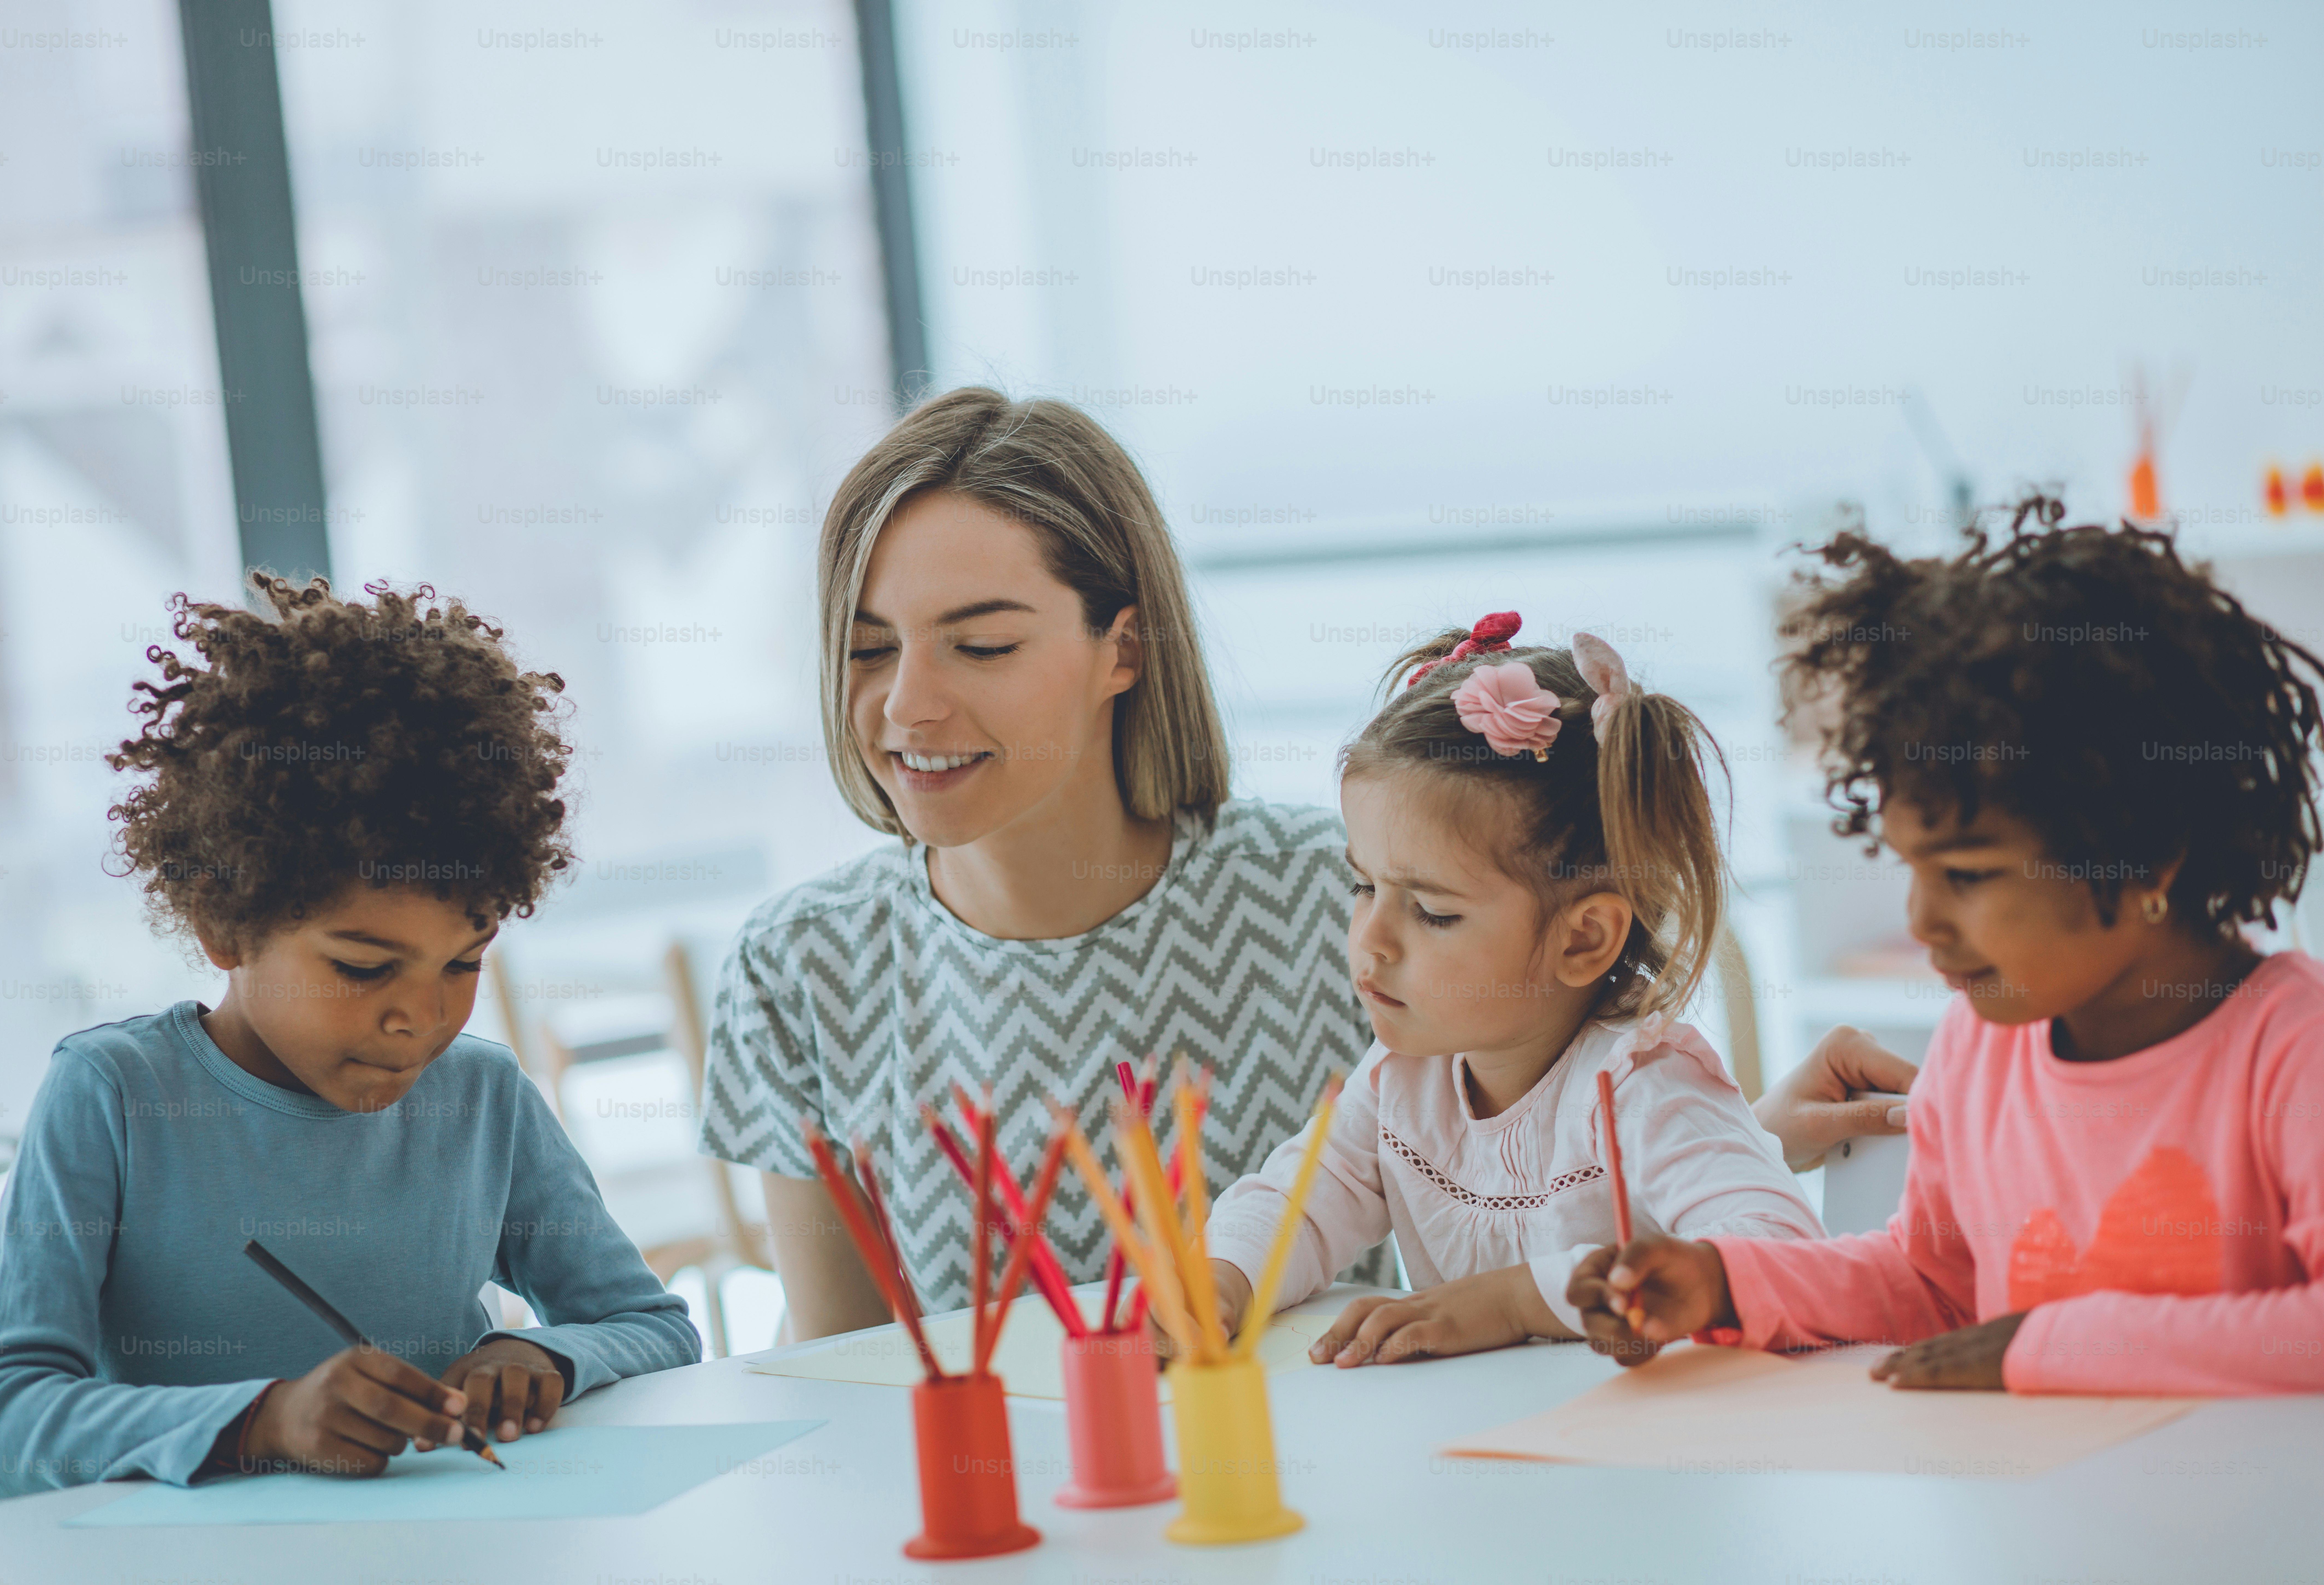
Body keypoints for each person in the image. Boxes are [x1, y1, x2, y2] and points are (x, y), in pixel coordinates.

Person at [700, 386, 1915, 1338]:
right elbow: (849, 1383)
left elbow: (1526, 1152)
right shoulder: (795, 970)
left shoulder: (1338, 885)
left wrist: (1731, 1144)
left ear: (1122, 648)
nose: (906, 705)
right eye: (866, 649)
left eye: (979, 643)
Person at [0, 577, 698, 1499]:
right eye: (364, 968)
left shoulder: (482, 1097)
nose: (419, 1018)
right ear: (224, 924)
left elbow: (651, 1323)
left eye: (462, 964)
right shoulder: (114, 1096)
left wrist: (538, 1355)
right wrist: (265, 1421)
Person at [1573, 501, 2324, 1394]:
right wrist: (1723, 1280)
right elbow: (1931, 1284)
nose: (1921, 921)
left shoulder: (2290, 1053)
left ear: (2148, 854)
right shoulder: (1981, 1044)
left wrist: (2038, 1347)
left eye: (1966, 875)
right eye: (1911, 868)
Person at [1202, 618, 1822, 1365]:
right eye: (1363, 885)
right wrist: (1223, 1279)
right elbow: (1297, 1203)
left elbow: (1782, 1258)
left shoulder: (1648, 1087)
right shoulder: (1402, 1079)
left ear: (1582, 939)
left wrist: (1519, 1301)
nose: (1371, 938)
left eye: (1432, 912)